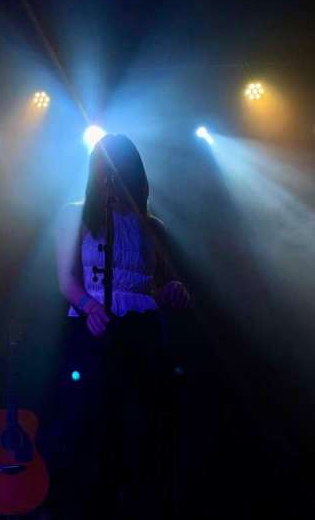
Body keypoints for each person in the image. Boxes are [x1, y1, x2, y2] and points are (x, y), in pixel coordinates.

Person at [50, 134, 191, 520]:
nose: (110, 173)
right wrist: (89, 306)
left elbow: (154, 284)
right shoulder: (75, 215)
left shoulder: (152, 226)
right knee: (93, 425)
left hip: (142, 329)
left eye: (119, 165)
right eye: (105, 165)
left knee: (142, 425)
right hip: (96, 327)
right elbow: (66, 278)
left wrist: (172, 290)